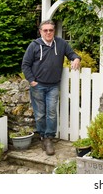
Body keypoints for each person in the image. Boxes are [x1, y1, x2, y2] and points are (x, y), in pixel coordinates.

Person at [22, 19, 81, 155]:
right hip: (38, 86)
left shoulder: (61, 44)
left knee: (52, 114)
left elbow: (72, 54)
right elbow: (25, 64)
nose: (48, 32)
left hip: (53, 85)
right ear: (40, 32)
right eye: (45, 30)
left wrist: (76, 59)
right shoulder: (34, 45)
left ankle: (49, 138)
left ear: (54, 31)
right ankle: (43, 137)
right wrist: (31, 81)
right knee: (40, 114)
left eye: (51, 30)